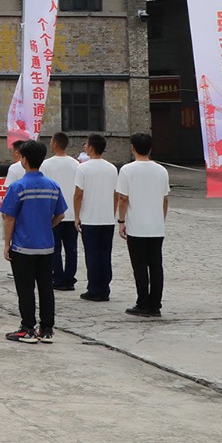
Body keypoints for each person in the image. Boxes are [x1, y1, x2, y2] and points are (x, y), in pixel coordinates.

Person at [0, 140, 68, 344]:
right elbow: (60, 215)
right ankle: (46, 329)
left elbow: (8, 217)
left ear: (24, 160)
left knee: (25, 289)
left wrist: (7, 244)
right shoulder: (53, 186)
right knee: (46, 288)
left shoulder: (18, 186)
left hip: (23, 247)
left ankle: (28, 328)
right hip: (46, 246)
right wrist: (46, 226)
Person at [117, 133, 170, 318]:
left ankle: (142, 302)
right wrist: (160, 219)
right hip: (156, 225)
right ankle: (155, 304)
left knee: (139, 266)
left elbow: (123, 198)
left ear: (132, 147)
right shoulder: (161, 170)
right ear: (150, 148)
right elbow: (165, 199)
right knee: (156, 266)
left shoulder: (127, 170)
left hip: (136, 225)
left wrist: (121, 221)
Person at [74, 134, 119, 303]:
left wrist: (77, 215)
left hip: (90, 218)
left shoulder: (83, 168)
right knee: (105, 254)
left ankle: (94, 288)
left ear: (91, 148)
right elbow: (116, 193)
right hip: (107, 218)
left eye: (86, 144)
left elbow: (78, 194)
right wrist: (112, 212)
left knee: (92, 255)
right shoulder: (112, 168)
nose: (85, 147)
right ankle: (104, 288)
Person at [41, 132, 81, 291]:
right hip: (72, 212)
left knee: (55, 248)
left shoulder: (46, 165)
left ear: (55, 144)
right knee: (72, 248)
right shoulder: (76, 164)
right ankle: (70, 279)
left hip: (55, 213)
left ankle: (57, 277)